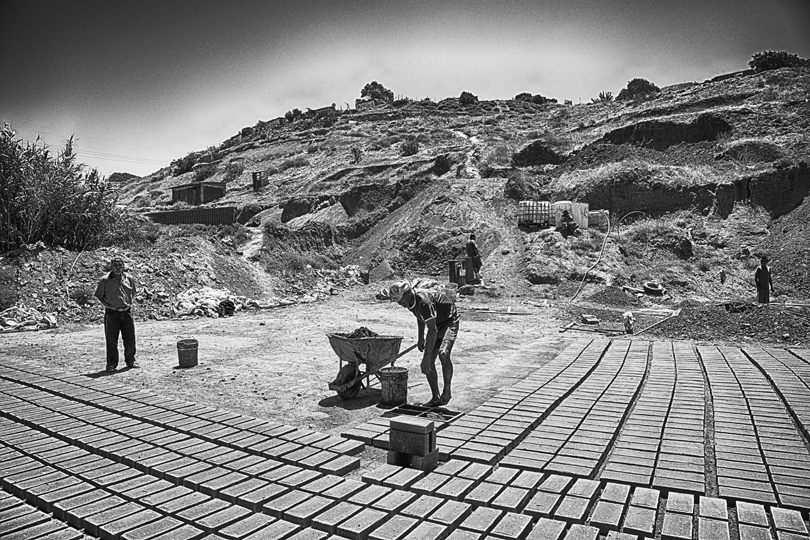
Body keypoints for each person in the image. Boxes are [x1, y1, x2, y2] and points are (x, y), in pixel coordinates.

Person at [388, 280, 459, 407]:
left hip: (448, 321)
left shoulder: (424, 301)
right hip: (436, 323)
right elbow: (420, 316)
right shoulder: (410, 302)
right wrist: (420, 337)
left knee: (443, 354)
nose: (400, 303)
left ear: (408, 294)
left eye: (401, 299)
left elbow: (432, 330)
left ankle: (447, 392)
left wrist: (426, 358)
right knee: (429, 365)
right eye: (398, 301)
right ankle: (435, 397)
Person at [94, 257, 138, 372]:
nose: (117, 268)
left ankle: (131, 360)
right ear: (111, 267)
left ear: (123, 266)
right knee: (111, 339)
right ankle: (111, 364)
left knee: (130, 338)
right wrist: (109, 306)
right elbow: (99, 296)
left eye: (120, 265)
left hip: (126, 312)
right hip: (112, 314)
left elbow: (133, 293)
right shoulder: (105, 280)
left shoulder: (129, 278)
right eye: (115, 265)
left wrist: (128, 303)